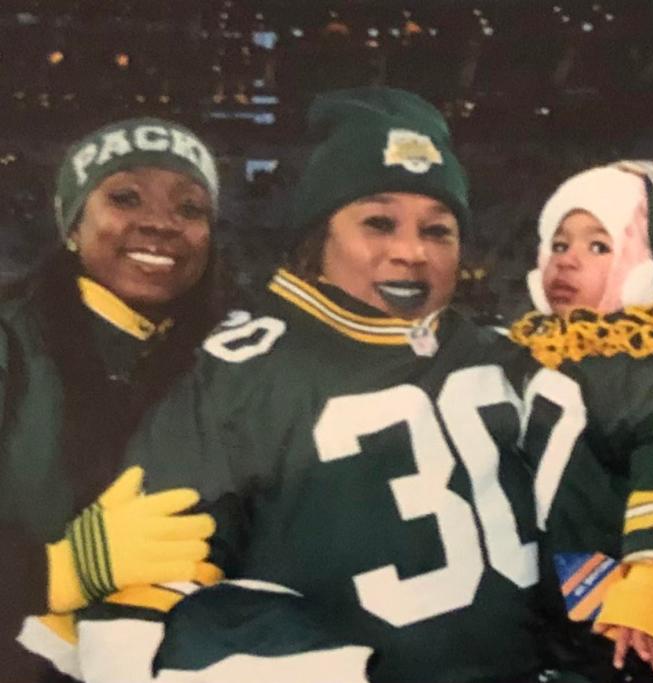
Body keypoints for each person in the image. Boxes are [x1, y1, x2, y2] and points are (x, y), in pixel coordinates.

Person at [58, 88, 551, 683]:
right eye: (378, 223)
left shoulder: (503, 352)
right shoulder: (240, 370)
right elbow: (149, 600)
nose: (411, 253)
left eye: (438, 231)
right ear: (318, 240)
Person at [0, 118, 228, 681]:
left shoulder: (237, 358)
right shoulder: (13, 341)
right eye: (125, 197)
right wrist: (53, 573)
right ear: (72, 225)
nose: (160, 223)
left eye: (190, 209)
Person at [511, 161, 653, 681]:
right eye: (559, 244)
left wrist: (650, 585)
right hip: (522, 577)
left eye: (599, 246)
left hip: (598, 583)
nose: (566, 263)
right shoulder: (528, 350)